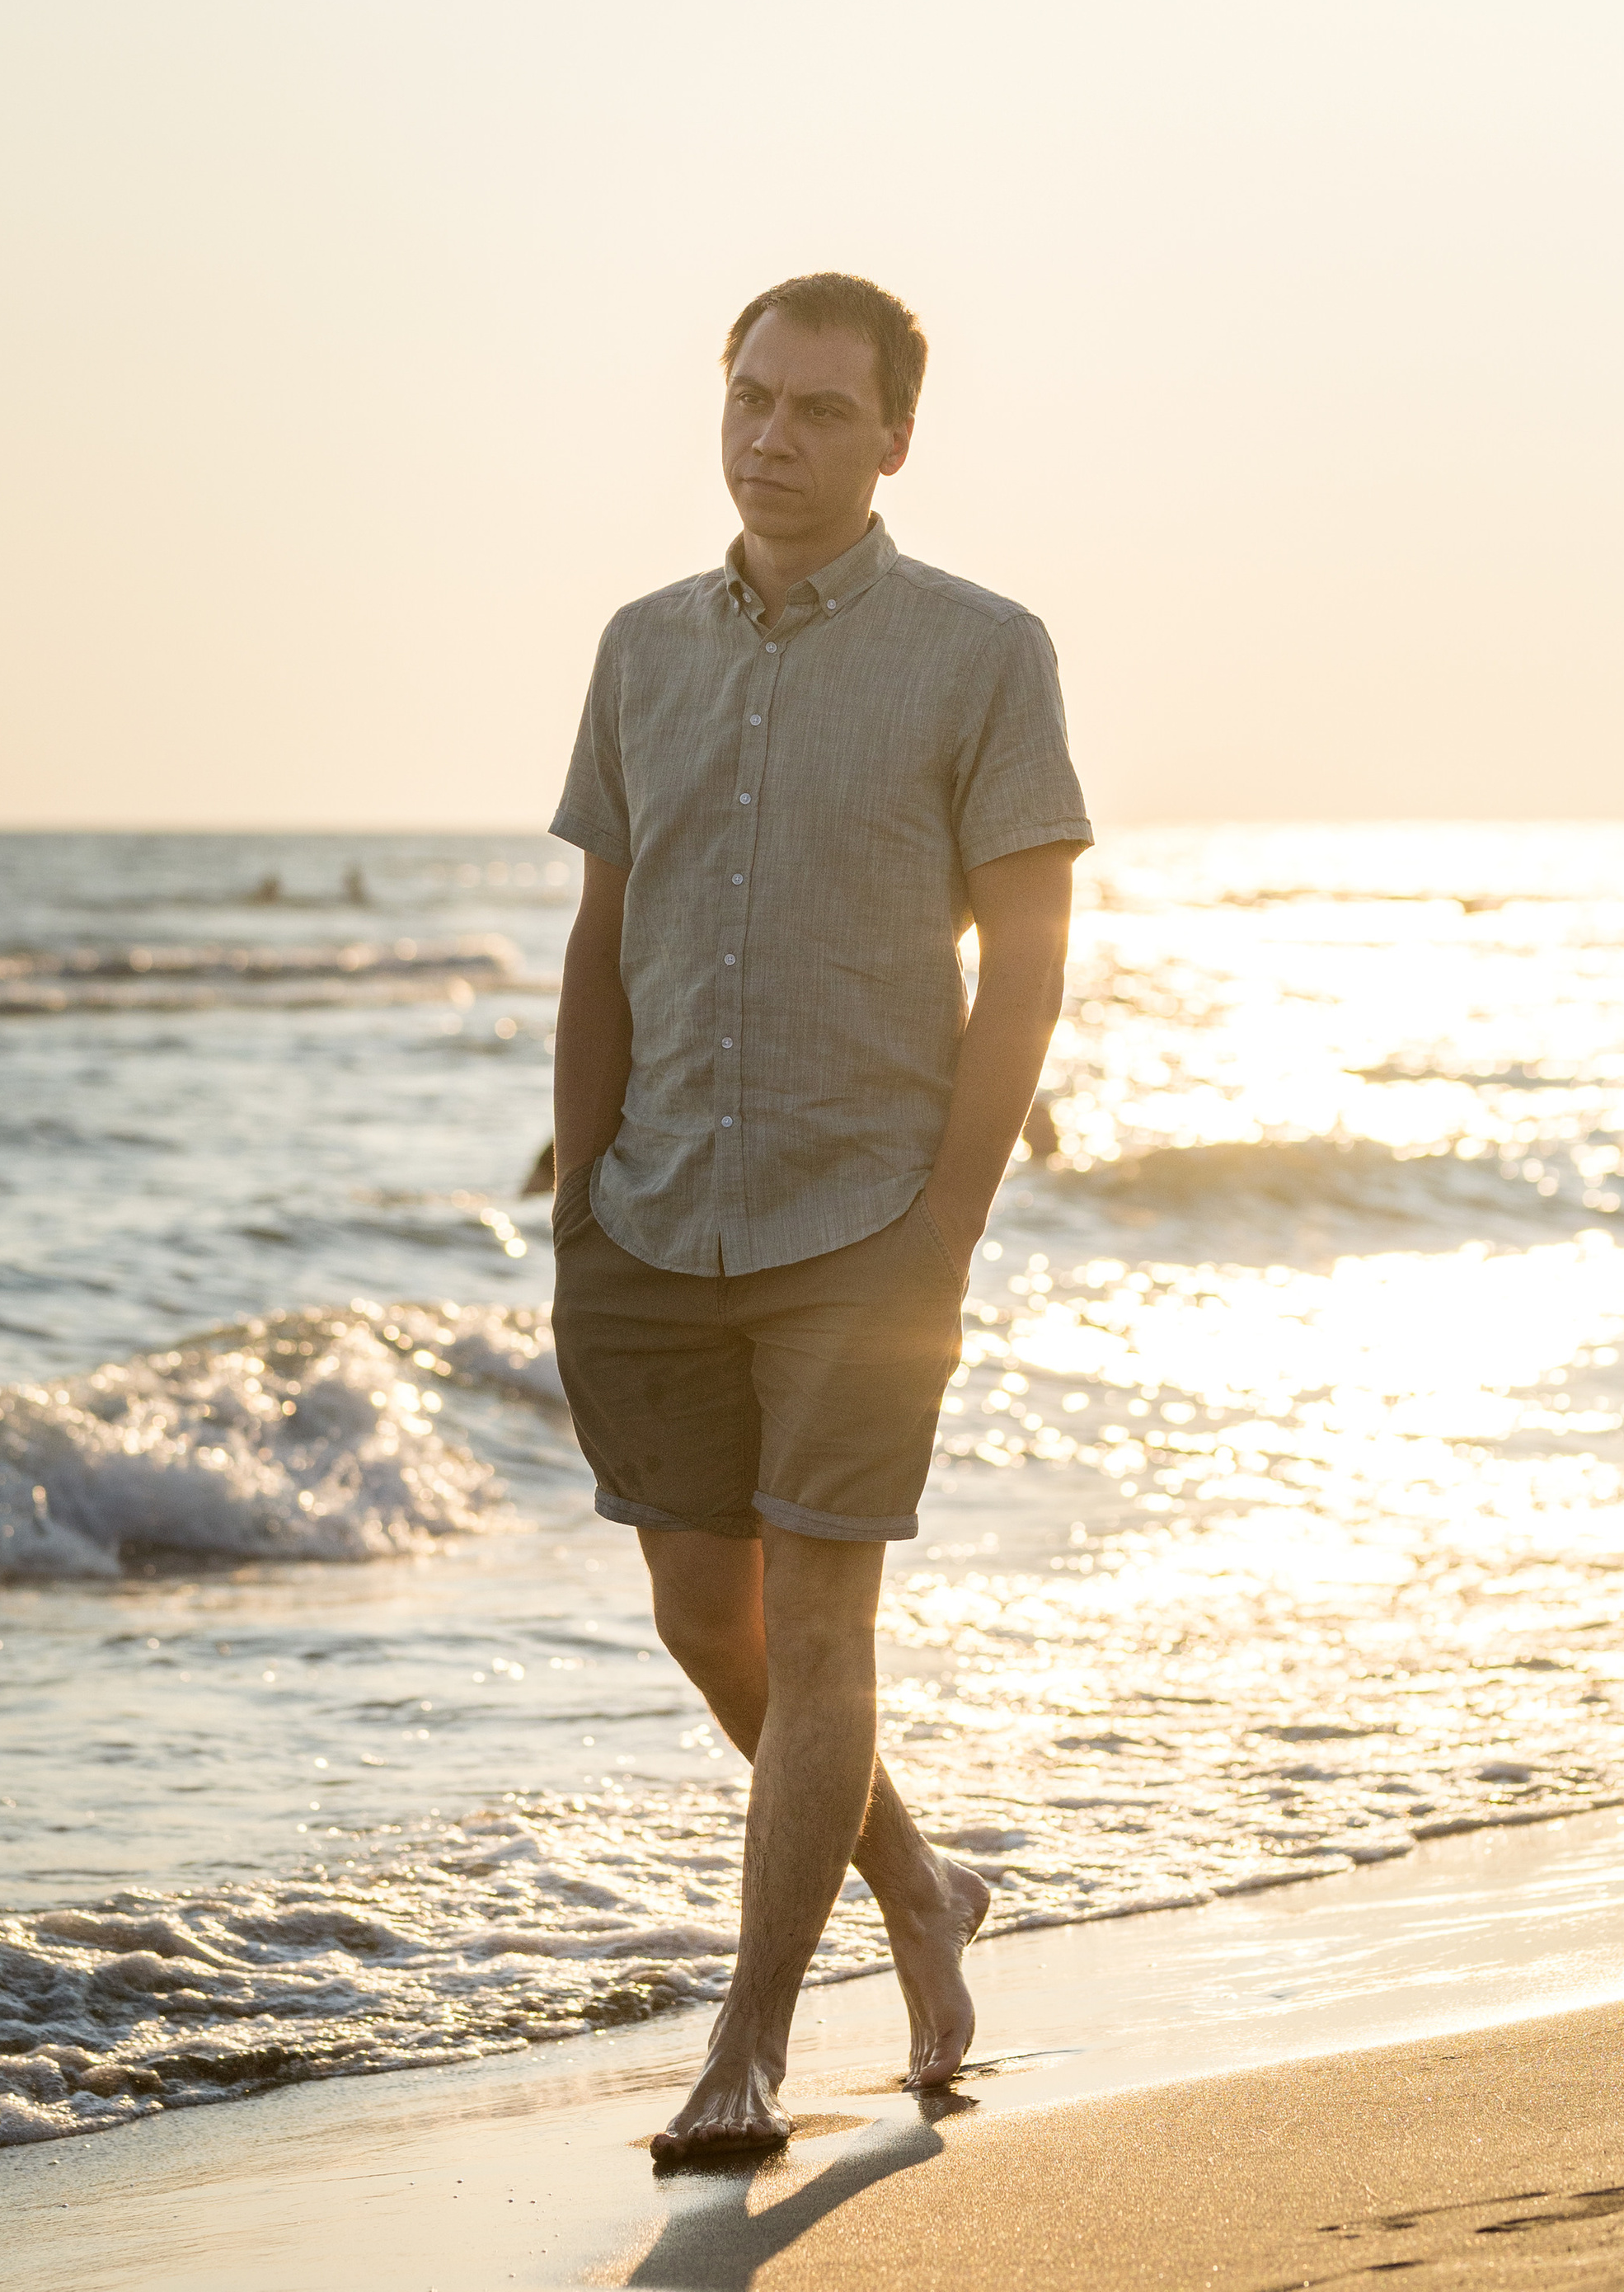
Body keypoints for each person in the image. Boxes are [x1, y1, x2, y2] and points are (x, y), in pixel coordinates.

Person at [547, 270, 1090, 2160]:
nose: (768, 438)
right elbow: (602, 941)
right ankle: (920, 1891)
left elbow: (1023, 962)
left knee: (830, 1628)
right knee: (713, 1621)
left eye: (814, 412)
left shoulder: (979, 651)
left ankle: (747, 2049)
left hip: (866, 1224)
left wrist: (947, 1222)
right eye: (748, 399)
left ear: (890, 442)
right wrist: (572, 1202)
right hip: (649, 1222)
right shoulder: (637, 648)